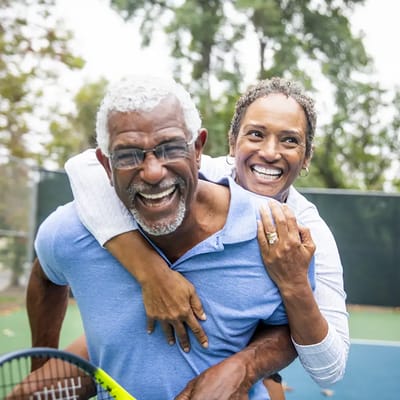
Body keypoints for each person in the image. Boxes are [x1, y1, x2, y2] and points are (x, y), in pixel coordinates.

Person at [29, 74, 316, 399]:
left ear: (197, 149)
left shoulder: (277, 237)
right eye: (128, 155)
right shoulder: (70, 232)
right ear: (106, 166)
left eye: (170, 148)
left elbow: (289, 328)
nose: (152, 172)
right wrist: (41, 363)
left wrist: (244, 368)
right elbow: (44, 276)